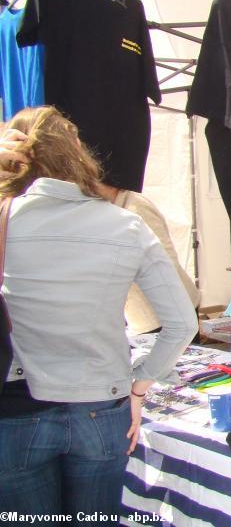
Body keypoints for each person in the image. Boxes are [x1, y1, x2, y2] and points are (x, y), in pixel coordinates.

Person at [0, 107, 197, 522]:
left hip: (17, 407)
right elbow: (182, 323)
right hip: (100, 406)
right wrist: (140, 388)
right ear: (78, 155)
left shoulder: (4, 219)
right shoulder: (125, 225)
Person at [96, 182, 201, 335]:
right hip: (143, 314)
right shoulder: (108, 210)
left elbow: (165, 261)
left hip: (165, 312)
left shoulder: (136, 207)